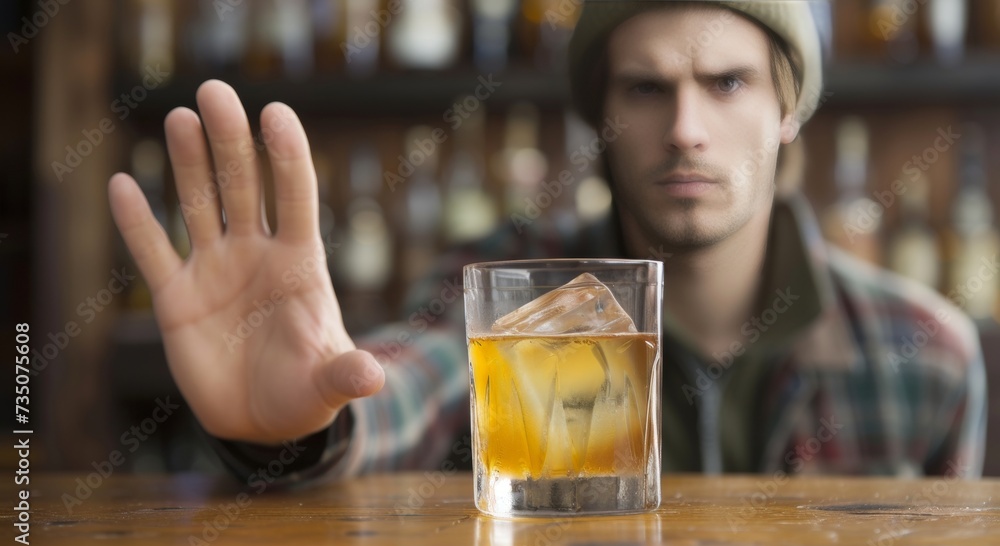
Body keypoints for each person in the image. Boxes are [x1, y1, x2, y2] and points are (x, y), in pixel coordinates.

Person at [107, 0, 987, 485]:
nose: (685, 128)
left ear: (788, 110)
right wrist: (301, 427)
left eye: (725, 83)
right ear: (600, 121)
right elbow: (412, 380)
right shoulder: (515, 289)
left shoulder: (928, 355)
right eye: (645, 89)